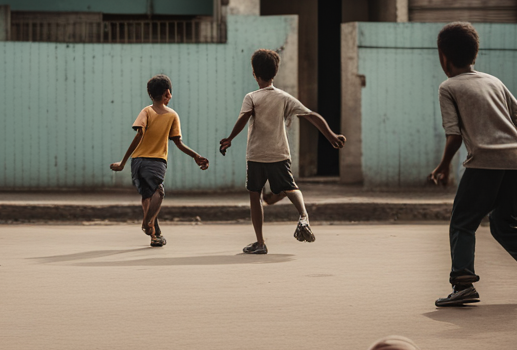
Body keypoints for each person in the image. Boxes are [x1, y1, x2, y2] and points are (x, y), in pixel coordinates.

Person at [430, 22, 517, 307]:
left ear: (443, 57)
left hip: (484, 162)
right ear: (475, 54)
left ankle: (462, 283)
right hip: (516, 161)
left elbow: (454, 135)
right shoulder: (493, 81)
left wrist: (443, 165)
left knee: (462, 222)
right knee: (503, 224)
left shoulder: (449, 87)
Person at [220, 49, 345, 255]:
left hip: (256, 155)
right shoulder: (283, 97)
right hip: (279, 154)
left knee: (255, 196)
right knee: (290, 187)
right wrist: (331, 136)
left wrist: (229, 139)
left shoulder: (252, 97)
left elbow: (244, 117)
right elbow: (311, 115)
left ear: (254, 73)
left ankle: (260, 243)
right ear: (274, 74)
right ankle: (303, 215)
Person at [110, 74, 209, 247]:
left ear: (150, 95)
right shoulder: (172, 115)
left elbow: (138, 135)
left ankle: (155, 235)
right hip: (156, 162)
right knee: (159, 192)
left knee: (148, 196)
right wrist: (195, 156)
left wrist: (123, 162)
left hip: (137, 162)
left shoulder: (146, 111)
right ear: (168, 93)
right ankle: (147, 221)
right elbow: (178, 142)